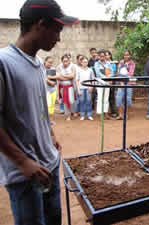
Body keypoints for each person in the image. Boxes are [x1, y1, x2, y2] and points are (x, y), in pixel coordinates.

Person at [0, 0, 78, 225]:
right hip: (25, 175)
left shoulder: (38, 64)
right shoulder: (4, 63)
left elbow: (40, 107)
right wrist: (23, 162)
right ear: (40, 25)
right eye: (57, 30)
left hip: (49, 165)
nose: (59, 38)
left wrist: (50, 135)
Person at [115, 50, 136, 120]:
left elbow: (131, 73)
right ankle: (120, 114)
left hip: (129, 83)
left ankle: (126, 114)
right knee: (118, 99)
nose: (126, 56)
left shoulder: (132, 63)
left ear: (130, 55)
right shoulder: (121, 62)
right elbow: (118, 73)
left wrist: (124, 77)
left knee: (128, 100)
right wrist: (121, 82)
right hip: (121, 83)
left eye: (127, 55)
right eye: (125, 55)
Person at [57, 55, 77, 121]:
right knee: (65, 101)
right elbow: (59, 77)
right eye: (64, 61)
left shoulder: (72, 66)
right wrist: (67, 76)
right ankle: (67, 115)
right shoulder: (59, 67)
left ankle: (72, 111)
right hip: (62, 87)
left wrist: (63, 76)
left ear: (69, 61)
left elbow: (72, 76)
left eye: (67, 61)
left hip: (70, 86)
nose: (65, 63)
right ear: (62, 61)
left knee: (71, 101)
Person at [94, 50, 112, 119]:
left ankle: (106, 113)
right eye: (101, 56)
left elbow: (111, 72)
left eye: (103, 56)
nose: (102, 57)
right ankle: (100, 114)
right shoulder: (96, 64)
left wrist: (108, 77)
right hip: (100, 83)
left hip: (107, 83)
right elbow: (98, 73)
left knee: (106, 98)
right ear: (98, 56)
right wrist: (106, 77)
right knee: (100, 98)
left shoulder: (108, 63)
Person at [76, 56, 94, 121]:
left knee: (89, 101)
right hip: (81, 88)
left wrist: (91, 87)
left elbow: (93, 80)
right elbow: (77, 80)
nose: (85, 63)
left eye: (86, 62)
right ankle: (82, 115)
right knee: (82, 101)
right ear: (81, 62)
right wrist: (78, 89)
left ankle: (89, 115)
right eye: (83, 62)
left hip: (88, 88)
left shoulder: (90, 70)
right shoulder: (78, 70)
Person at [44, 56, 57, 125]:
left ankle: (50, 120)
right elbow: (43, 78)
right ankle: (44, 121)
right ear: (45, 61)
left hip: (53, 89)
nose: (50, 64)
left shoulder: (53, 69)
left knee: (52, 105)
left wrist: (49, 79)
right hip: (46, 90)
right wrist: (49, 81)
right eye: (49, 62)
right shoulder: (41, 69)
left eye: (51, 63)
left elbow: (56, 77)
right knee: (46, 105)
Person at [105, 50, 118, 117]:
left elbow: (114, 72)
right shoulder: (104, 63)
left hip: (112, 81)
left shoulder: (113, 63)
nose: (107, 56)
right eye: (106, 55)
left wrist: (111, 80)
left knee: (112, 97)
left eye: (108, 55)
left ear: (110, 55)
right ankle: (106, 112)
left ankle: (113, 112)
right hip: (105, 82)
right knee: (106, 97)